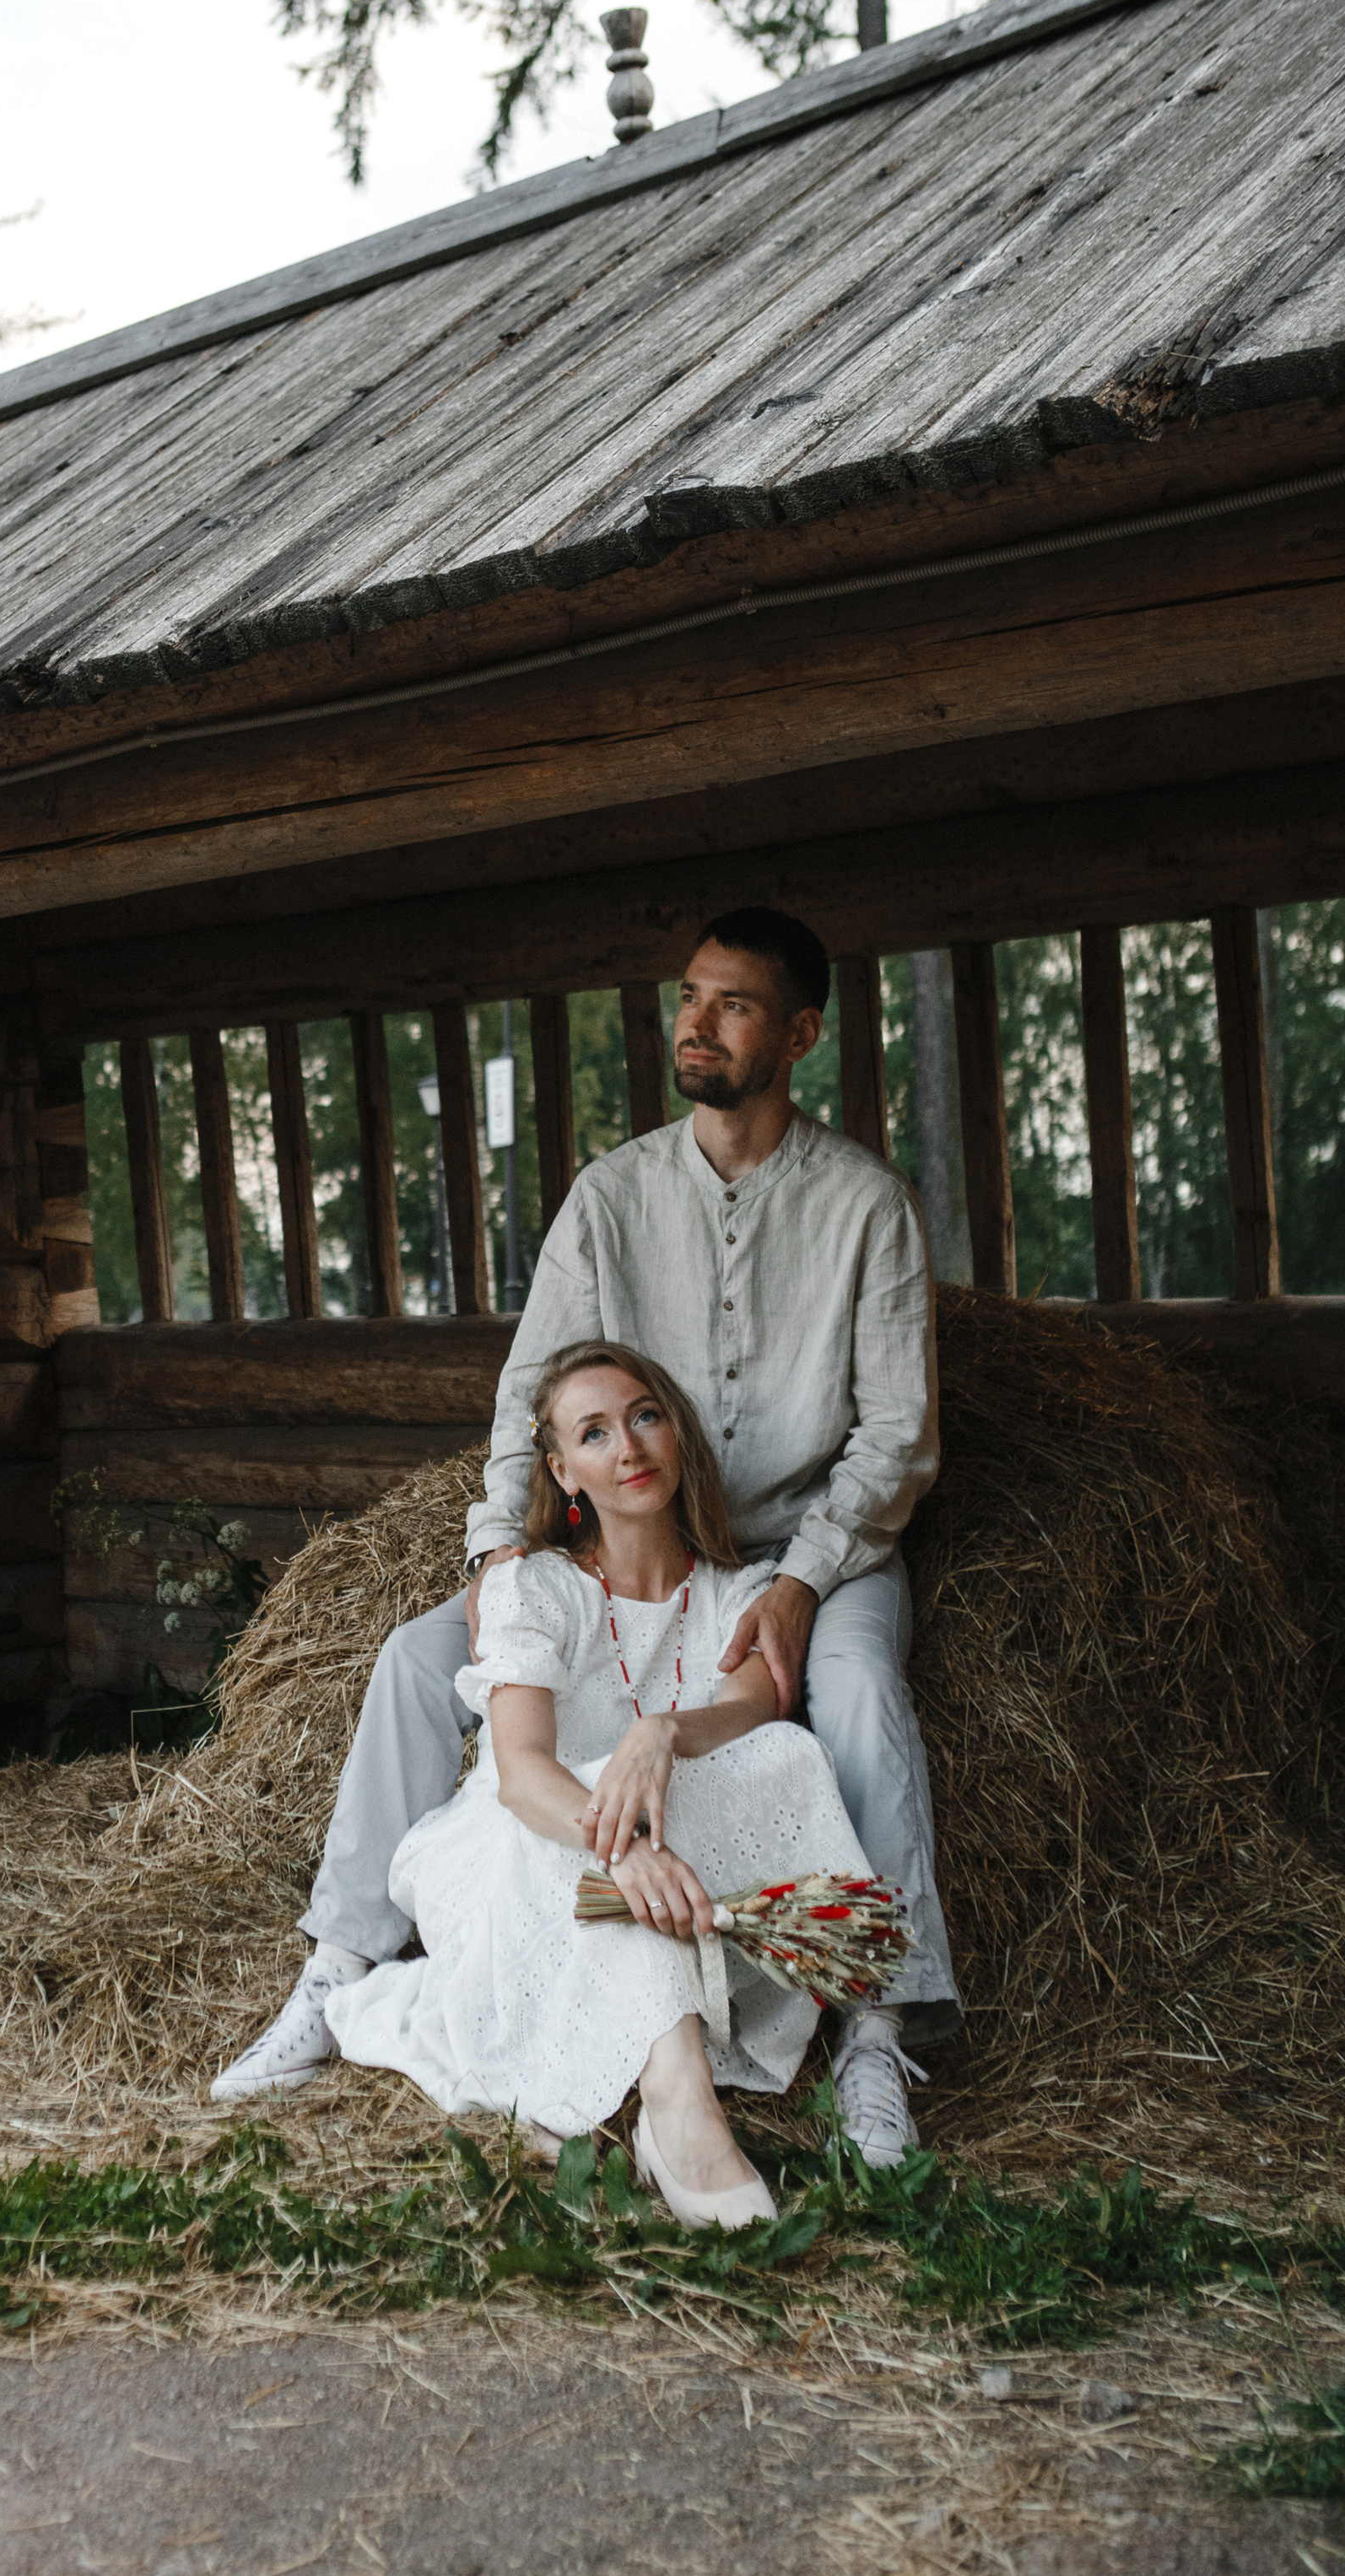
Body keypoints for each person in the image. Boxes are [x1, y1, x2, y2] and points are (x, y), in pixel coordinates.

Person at [212, 903, 958, 2165]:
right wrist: (500, 1546)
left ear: (803, 1033)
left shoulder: (868, 1208)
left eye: (734, 1004)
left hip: (801, 1546)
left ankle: (879, 2026)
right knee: (410, 1660)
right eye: (690, 997)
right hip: (623, 1526)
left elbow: (897, 1439)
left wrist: (808, 1580)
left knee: (863, 1697)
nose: (698, 1023)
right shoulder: (611, 1199)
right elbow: (528, 1395)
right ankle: (336, 1977)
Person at [323, 1341, 882, 2226]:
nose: (627, 1447)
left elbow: (751, 1709)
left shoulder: (745, 1593)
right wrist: (617, 1848)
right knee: (579, 1781)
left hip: (670, 1855)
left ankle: (660, 2080)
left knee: (788, 1757)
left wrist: (661, 1733)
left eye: (643, 1417)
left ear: (677, 1434)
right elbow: (520, 1776)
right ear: (563, 1472)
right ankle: (677, 2092)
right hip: (523, 1844)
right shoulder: (534, 1588)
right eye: (593, 1433)